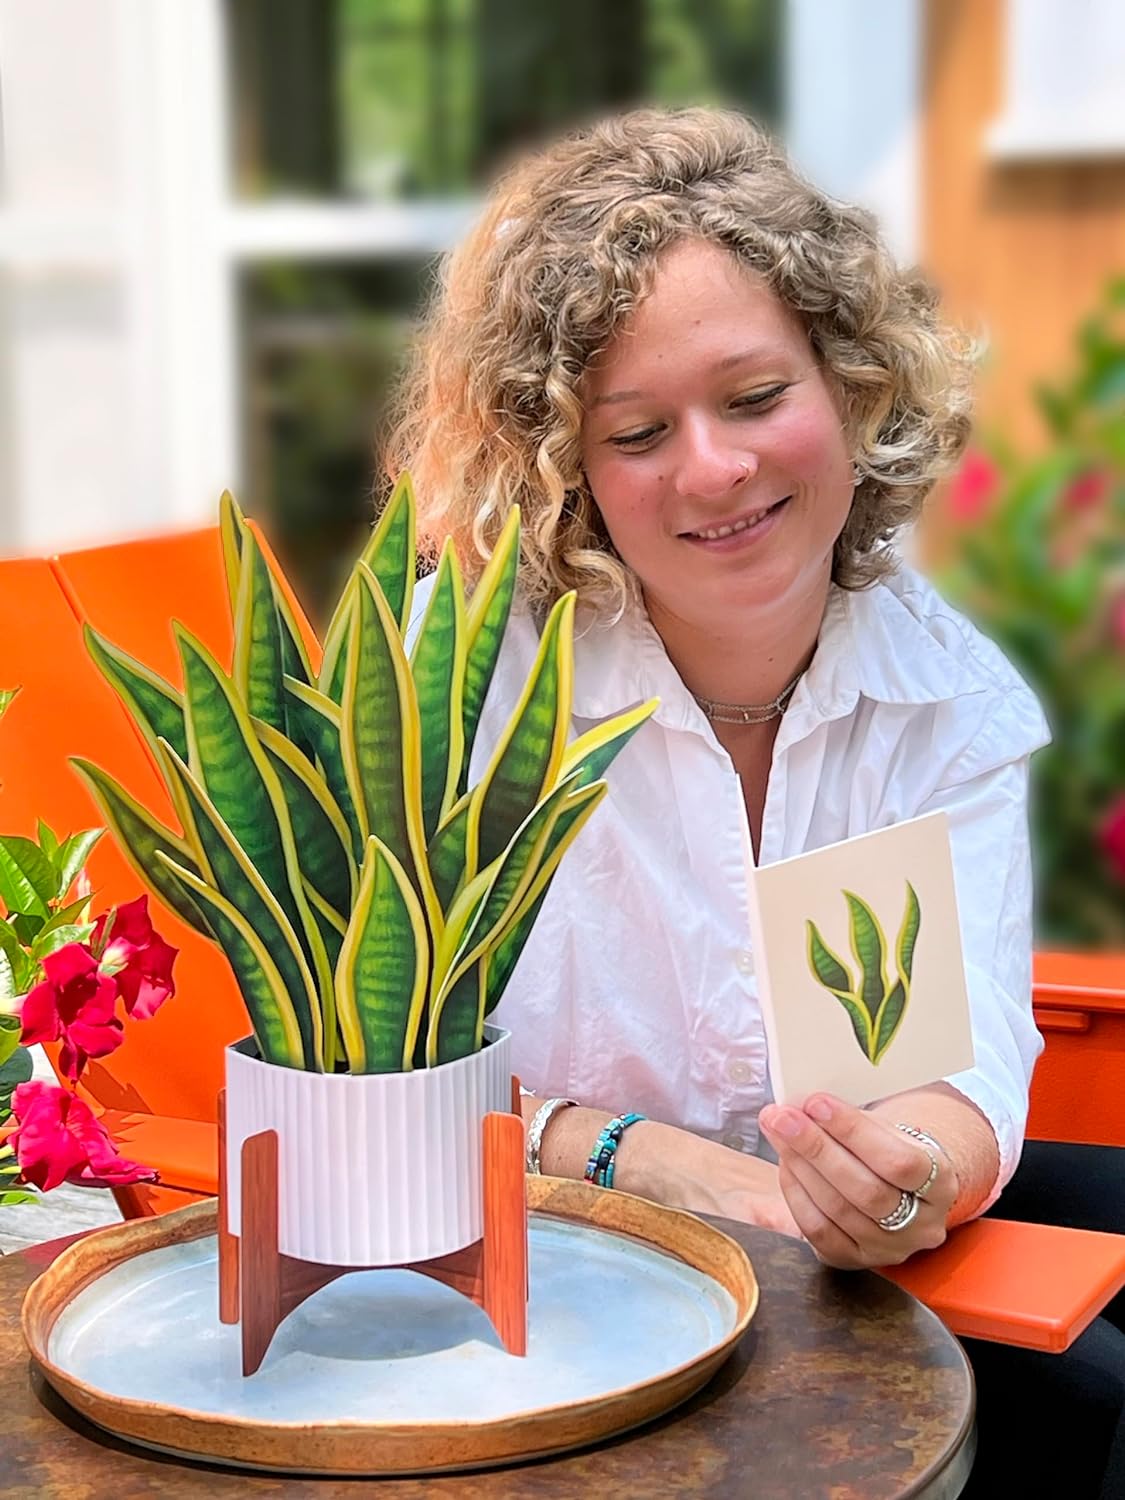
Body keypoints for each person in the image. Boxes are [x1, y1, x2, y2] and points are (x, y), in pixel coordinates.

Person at [387, 108, 1123, 1498]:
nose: (713, 469)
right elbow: (360, 1083)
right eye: (637, 430)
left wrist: (910, 1168)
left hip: (827, 1234)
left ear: (847, 388)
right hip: (550, 1260)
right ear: (570, 473)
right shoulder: (463, 681)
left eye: (752, 396)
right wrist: (644, 1158)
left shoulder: (937, 697)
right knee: (1094, 1397)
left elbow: (951, 1063)